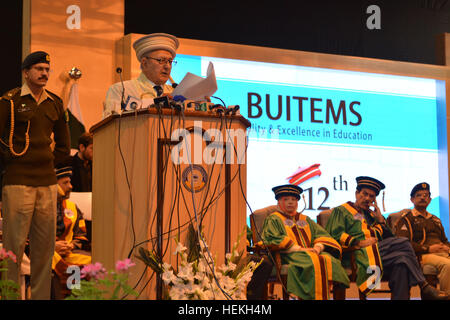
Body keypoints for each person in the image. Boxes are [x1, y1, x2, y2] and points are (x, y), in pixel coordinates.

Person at [0, 51, 70, 299]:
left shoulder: (55, 102)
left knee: (44, 251)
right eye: (38, 68)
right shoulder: (9, 101)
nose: (44, 73)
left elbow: (63, 145)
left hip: (47, 183)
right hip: (17, 182)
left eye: (47, 69)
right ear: (25, 72)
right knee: (13, 251)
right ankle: (9, 297)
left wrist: (49, 163)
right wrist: (13, 162)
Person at [325, 176, 448, 300]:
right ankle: (424, 286)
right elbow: (335, 235)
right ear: (357, 193)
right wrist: (360, 242)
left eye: (372, 196)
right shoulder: (342, 211)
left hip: (378, 254)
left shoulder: (372, 216)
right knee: (404, 244)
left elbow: (391, 240)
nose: (367, 198)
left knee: (402, 261)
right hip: (358, 255)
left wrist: (381, 221)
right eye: (365, 194)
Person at [260, 184, 350, 300]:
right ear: (278, 201)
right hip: (288, 255)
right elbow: (272, 239)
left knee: (330, 260)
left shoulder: (305, 219)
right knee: (311, 262)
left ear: (297, 202)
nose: (290, 202)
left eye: (293, 199)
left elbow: (322, 235)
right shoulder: (274, 219)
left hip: (311, 252)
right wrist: (300, 249)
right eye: (286, 199)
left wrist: (318, 248)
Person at [103, 33, 179, 118]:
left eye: (170, 61)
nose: (167, 66)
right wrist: (156, 102)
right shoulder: (121, 89)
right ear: (144, 63)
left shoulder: (174, 92)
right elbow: (110, 123)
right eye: (161, 60)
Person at [395, 182, 450, 294]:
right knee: (447, 265)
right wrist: (428, 249)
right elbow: (404, 243)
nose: (422, 198)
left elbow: (444, 241)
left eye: (426, 195)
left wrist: (447, 248)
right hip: (423, 255)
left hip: (443, 253)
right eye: (419, 195)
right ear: (412, 199)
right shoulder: (406, 219)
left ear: (430, 200)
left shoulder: (435, 219)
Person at [52, 165, 91, 298]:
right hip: (46, 253)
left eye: (70, 182)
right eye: (65, 183)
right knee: (63, 265)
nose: (71, 186)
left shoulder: (73, 207)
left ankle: (76, 297)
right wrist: (52, 247)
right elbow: (29, 237)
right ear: (53, 185)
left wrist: (71, 245)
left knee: (92, 262)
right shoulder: (38, 206)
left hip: (69, 252)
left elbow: (81, 235)